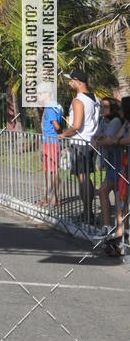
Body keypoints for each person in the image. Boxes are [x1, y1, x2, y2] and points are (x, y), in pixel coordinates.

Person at [59, 69, 101, 224]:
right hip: (90, 141)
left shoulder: (78, 100)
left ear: (77, 81)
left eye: (71, 80)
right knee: (85, 178)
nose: (69, 82)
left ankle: (88, 214)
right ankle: (88, 212)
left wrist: (64, 134)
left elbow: (76, 125)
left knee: (83, 179)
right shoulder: (94, 98)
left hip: (80, 143)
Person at [94, 97, 126, 255]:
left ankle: (120, 234)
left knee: (120, 200)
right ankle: (109, 228)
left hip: (120, 165)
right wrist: (104, 139)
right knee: (107, 193)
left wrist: (108, 140)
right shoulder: (104, 121)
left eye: (105, 106)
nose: (102, 108)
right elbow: (98, 137)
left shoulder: (116, 122)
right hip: (111, 165)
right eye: (101, 105)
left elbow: (109, 139)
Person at [37, 84, 64, 209]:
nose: (39, 95)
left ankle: (54, 197)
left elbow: (56, 125)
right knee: (49, 170)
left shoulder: (50, 106)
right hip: (50, 141)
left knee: (52, 171)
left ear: (47, 93)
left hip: (51, 141)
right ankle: (48, 196)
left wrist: (59, 133)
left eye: (41, 93)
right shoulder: (56, 105)